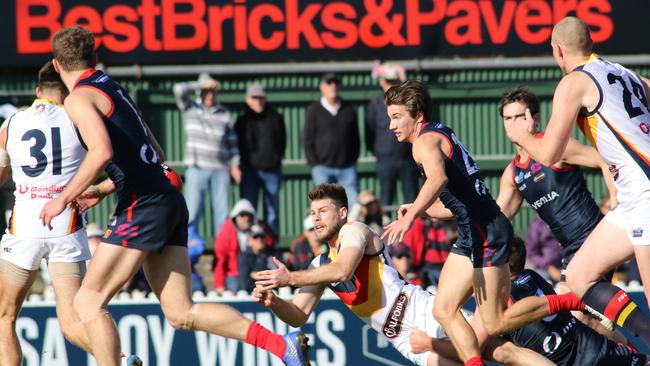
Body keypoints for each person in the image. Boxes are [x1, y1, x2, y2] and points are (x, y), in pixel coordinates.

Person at [42, 26, 308, 366]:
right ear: (94, 58)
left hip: (143, 205)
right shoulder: (112, 87)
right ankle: (281, 346)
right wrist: (103, 189)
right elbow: (156, 150)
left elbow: (102, 152)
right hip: (165, 198)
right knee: (182, 312)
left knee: (88, 303)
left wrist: (64, 197)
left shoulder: (78, 97)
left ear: (57, 64)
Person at [380, 80, 586, 365]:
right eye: (389, 117)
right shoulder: (439, 132)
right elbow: (458, 204)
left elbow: (438, 179)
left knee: (496, 323)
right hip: (475, 231)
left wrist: (413, 214)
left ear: (417, 114)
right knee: (444, 309)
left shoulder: (422, 143)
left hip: (486, 232)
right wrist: (423, 211)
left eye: (396, 116)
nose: (391, 125)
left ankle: (573, 300)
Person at [253, 184, 554, 366]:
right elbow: (296, 315)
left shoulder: (354, 230)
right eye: (313, 213)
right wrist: (273, 300)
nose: (316, 218)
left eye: (323, 211)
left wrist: (290, 278)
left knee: (501, 353)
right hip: (405, 341)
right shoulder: (320, 263)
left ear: (343, 213)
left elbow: (344, 268)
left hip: (422, 311)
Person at [504, 16, 650, 345]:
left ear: (558, 51)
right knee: (580, 274)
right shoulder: (623, 72)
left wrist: (522, 135)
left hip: (644, 192)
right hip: (633, 197)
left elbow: (551, 153)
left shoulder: (574, 82)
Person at [409, 237, 648, 366]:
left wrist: (430, 344)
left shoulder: (494, 305)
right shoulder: (534, 277)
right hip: (600, 349)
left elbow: (470, 349)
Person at [0, 61, 94, 365]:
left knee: (5, 315)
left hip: (24, 229)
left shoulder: (12, 122)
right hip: (65, 227)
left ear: (38, 91)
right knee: (71, 319)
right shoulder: (77, 118)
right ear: (67, 91)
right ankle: (114, 356)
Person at [497, 86, 616, 285]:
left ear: (535, 119)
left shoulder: (555, 147)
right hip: (570, 250)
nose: (513, 124)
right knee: (571, 312)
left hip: (594, 238)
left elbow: (605, 161)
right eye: (508, 119)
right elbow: (497, 216)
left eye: (519, 116)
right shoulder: (512, 173)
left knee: (576, 307)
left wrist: (615, 202)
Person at [173, 71, 240, 237]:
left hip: (221, 169)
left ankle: (221, 254)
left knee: (222, 214)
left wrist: (235, 165)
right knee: (192, 213)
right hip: (197, 168)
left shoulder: (224, 113)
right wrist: (200, 84)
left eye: (212, 91)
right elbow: (178, 89)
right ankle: (190, 254)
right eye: (206, 91)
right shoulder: (190, 108)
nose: (209, 94)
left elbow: (232, 143)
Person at [235, 82, 286, 236]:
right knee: (248, 212)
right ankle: (248, 248)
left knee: (272, 213)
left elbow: (282, 142)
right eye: (254, 97)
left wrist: (276, 159)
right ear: (247, 99)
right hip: (249, 171)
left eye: (260, 97)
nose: (257, 101)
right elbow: (237, 146)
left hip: (272, 170)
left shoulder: (276, 117)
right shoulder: (242, 120)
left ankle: (272, 248)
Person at [366, 62, 420, 207]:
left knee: (412, 199)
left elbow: (416, 101)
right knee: (386, 199)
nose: (391, 84)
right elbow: (369, 132)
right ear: (381, 81)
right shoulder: (375, 104)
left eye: (394, 81)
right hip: (385, 159)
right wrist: (379, 152)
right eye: (389, 81)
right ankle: (387, 229)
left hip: (408, 157)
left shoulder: (406, 101)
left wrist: (403, 80)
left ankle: (414, 229)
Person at [303, 72, 360, 205]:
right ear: (322, 87)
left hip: (347, 168)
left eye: (336, 83)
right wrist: (314, 164)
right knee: (326, 205)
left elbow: (355, 138)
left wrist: (352, 160)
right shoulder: (314, 110)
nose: (333, 86)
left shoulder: (349, 108)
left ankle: (348, 227)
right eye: (329, 83)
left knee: (353, 205)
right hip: (322, 168)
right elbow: (307, 139)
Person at [213, 198, 276, 294]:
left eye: (249, 215)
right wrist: (219, 284)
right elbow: (219, 261)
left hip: (257, 271)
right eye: (242, 215)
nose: (246, 218)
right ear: (235, 217)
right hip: (234, 273)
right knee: (235, 286)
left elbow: (271, 246)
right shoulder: (225, 235)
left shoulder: (260, 230)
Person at [238, 224, 278, 293]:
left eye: (262, 237)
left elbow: (278, 278)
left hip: (273, 292)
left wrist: (256, 275)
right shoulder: (244, 256)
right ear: (249, 240)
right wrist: (267, 276)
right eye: (255, 237)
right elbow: (245, 283)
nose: (259, 240)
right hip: (250, 294)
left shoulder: (274, 253)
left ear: (266, 239)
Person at [524, 216, 562, 283]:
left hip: (568, 266)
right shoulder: (537, 225)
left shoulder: (568, 217)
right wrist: (549, 268)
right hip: (545, 269)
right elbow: (531, 253)